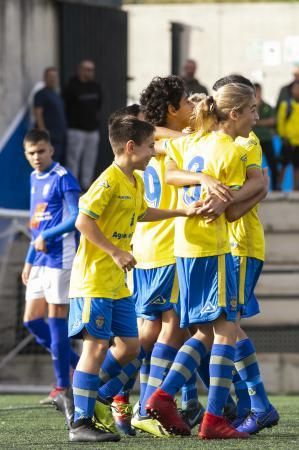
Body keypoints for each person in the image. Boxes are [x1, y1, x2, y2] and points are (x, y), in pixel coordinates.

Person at [67, 116, 202, 443]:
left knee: (129, 348)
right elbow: (83, 221)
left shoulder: (135, 181)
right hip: (94, 279)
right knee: (96, 346)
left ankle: (92, 394)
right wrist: (114, 251)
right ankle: (81, 421)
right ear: (130, 147)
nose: (154, 153)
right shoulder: (109, 180)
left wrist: (182, 212)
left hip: (117, 283)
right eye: (149, 146)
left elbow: (143, 212)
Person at [145, 83, 266, 440]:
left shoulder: (190, 142)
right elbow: (232, 212)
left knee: (202, 331)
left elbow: (168, 173)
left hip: (183, 247)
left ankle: (163, 396)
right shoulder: (232, 150)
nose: (257, 118)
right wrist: (239, 198)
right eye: (253, 111)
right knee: (226, 329)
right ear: (234, 114)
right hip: (214, 250)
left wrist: (200, 179)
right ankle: (214, 417)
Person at [22, 129, 81, 417]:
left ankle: (62, 385)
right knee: (32, 320)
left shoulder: (63, 178)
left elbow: (75, 217)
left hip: (61, 257)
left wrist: (51, 235)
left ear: (51, 150)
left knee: (56, 320)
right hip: (41, 258)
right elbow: (36, 227)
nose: (36, 157)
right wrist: (28, 259)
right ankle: (77, 364)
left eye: (41, 151)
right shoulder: (34, 178)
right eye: (31, 153)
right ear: (26, 154)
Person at [63, 59, 102, 190]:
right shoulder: (72, 86)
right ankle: (71, 186)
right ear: (80, 70)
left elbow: (99, 106)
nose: (90, 72)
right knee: (73, 160)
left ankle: (86, 186)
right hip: (76, 130)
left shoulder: (96, 86)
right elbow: (66, 105)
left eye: (92, 69)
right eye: (87, 69)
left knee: (89, 161)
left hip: (92, 130)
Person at [33, 67, 67, 164]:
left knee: (56, 164)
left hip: (59, 137)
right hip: (49, 138)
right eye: (50, 76)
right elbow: (38, 113)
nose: (53, 79)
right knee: (49, 164)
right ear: (45, 78)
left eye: (55, 77)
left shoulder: (56, 94)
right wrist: (43, 132)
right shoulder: (40, 94)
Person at [252, 83, 278, 190]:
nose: (257, 94)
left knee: (273, 163)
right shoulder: (251, 107)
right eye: (255, 92)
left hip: (266, 139)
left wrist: (258, 123)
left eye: (258, 91)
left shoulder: (267, 106)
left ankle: (276, 187)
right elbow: (254, 120)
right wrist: (256, 106)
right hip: (253, 140)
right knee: (253, 165)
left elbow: (272, 121)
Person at [277, 79, 299, 190]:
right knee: (284, 165)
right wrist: (283, 136)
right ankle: (278, 186)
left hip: (298, 142)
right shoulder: (286, 105)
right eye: (296, 88)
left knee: (297, 167)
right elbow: (281, 122)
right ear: (292, 90)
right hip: (288, 141)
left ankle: (296, 187)